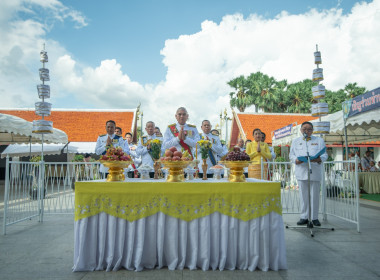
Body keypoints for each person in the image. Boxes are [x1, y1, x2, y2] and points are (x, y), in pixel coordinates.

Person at [289, 121, 327, 226]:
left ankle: (314, 217)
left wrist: (318, 159)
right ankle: (304, 216)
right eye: (304, 129)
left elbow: (325, 155)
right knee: (303, 196)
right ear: (301, 130)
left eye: (309, 129)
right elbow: (291, 155)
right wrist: (295, 160)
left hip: (314, 170)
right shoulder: (295, 141)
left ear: (312, 130)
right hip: (301, 170)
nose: (307, 131)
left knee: (315, 196)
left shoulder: (319, 140)